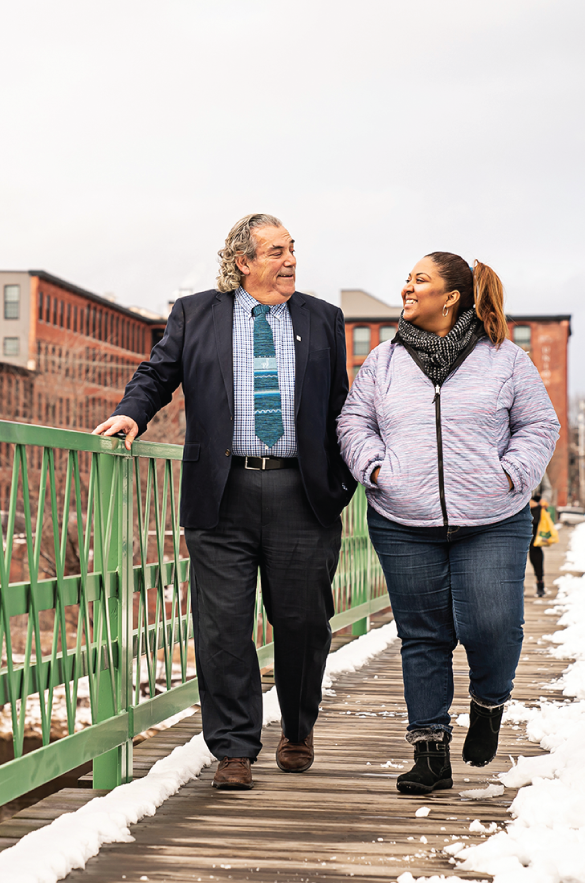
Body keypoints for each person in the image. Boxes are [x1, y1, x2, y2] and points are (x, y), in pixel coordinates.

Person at [93, 213, 355, 790]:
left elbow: (341, 406)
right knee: (222, 626)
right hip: (221, 492)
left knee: (303, 622)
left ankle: (298, 726)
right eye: (275, 252)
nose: (289, 261)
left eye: (292, 250)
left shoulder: (322, 318)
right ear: (242, 262)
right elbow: (158, 373)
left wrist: (345, 480)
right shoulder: (197, 313)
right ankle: (234, 748)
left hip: (302, 493)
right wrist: (132, 413)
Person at [337, 252, 558, 795]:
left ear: (451, 296)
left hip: (492, 517)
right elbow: (353, 420)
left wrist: (510, 475)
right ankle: (429, 752)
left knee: (491, 626)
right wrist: (374, 467)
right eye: (408, 279)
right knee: (423, 635)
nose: (406, 288)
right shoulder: (384, 361)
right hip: (402, 518)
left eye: (419, 280)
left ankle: (488, 702)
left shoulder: (504, 358)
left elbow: (538, 423)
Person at [529, 474, 552, 597]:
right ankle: (517, 585)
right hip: (516, 510)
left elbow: (547, 488)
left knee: (535, 548)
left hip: (536, 513)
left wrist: (544, 499)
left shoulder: (538, 466)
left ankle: (540, 581)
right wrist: (527, 500)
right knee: (516, 551)